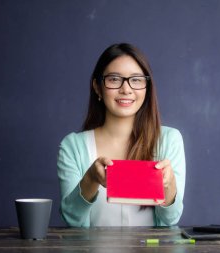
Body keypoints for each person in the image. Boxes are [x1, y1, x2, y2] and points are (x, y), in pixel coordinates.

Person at [57, 43, 185, 227]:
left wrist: (169, 186)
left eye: (136, 80)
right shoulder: (73, 146)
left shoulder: (169, 140)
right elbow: (73, 220)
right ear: (97, 87)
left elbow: (170, 220)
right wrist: (91, 179)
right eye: (114, 79)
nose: (126, 89)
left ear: (147, 87)